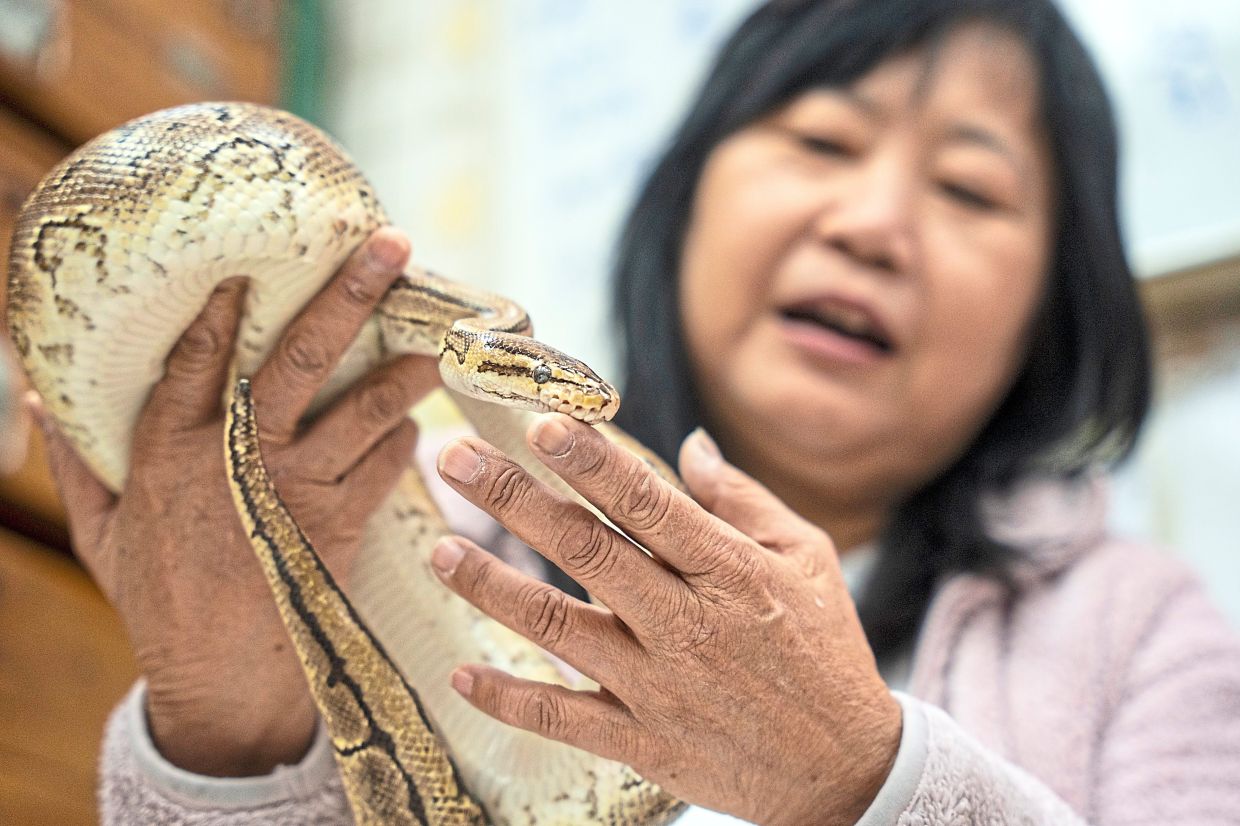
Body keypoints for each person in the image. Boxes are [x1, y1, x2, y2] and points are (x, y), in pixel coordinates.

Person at [25, 0, 1240, 823]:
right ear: (686, 206)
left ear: (1054, 305)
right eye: (823, 138)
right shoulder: (404, 517)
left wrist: (857, 776)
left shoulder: (1142, 632)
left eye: (970, 186)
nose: (872, 223)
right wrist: (224, 731)